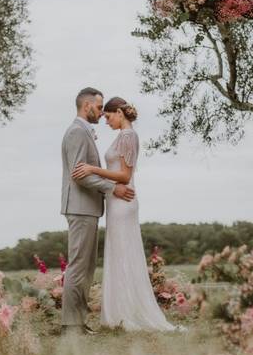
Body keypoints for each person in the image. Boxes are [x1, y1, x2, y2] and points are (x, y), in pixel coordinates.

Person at [72, 96, 177, 332]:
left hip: (123, 201)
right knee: (118, 255)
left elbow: (125, 176)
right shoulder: (122, 136)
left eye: (108, 116)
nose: (106, 121)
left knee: (123, 255)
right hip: (115, 201)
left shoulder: (129, 136)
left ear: (119, 113)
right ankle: (119, 313)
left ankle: (126, 314)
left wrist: (92, 168)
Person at [60, 88, 134, 335]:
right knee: (79, 265)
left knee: (86, 266)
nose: (102, 112)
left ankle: (78, 322)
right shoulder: (77, 132)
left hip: (87, 208)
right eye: (99, 107)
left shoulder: (82, 131)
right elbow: (79, 176)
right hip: (80, 207)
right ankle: (71, 325)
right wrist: (113, 189)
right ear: (87, 106)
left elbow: (86, 172)